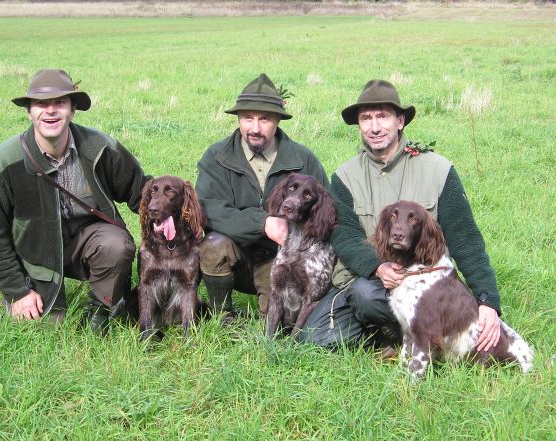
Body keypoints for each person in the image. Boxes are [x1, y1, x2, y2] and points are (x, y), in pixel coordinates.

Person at [298, 79, 502, 356]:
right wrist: (375, 267)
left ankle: (414, 338)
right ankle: (392, 334)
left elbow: (466, 240)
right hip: (371, 281)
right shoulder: (345, 177)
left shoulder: (437, 170)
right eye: (366, 118)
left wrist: (487, 300)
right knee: (316, 339)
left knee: (365, 297)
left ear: (400, 121)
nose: (375, 126)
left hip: (425, 286)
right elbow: (343, 233)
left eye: (383, 116)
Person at [0, 69, 149, 331]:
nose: (51, 111)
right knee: (43, 326)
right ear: (29, 112)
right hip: (35, 253)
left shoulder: (98, 147)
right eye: (42, 104)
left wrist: (181, 209)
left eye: (60, 103)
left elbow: (141, 192)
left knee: (116, 243)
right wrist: (18, 292)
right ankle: (35, 292)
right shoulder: (2, 162)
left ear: (73, 110)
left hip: (88, 243)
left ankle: (100, 309)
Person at [196, 73, 328, 319]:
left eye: (264, 119)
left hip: (281, 257)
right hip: (236, 253)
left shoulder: (303, 159)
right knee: (214, 245)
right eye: (247, 118)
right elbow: (209, 209)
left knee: (283, 321)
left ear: (278, 120)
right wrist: (263, 223)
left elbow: (325, 214)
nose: (254, 128)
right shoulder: (216, 157)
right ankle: (222, 315)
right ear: (238, 119)